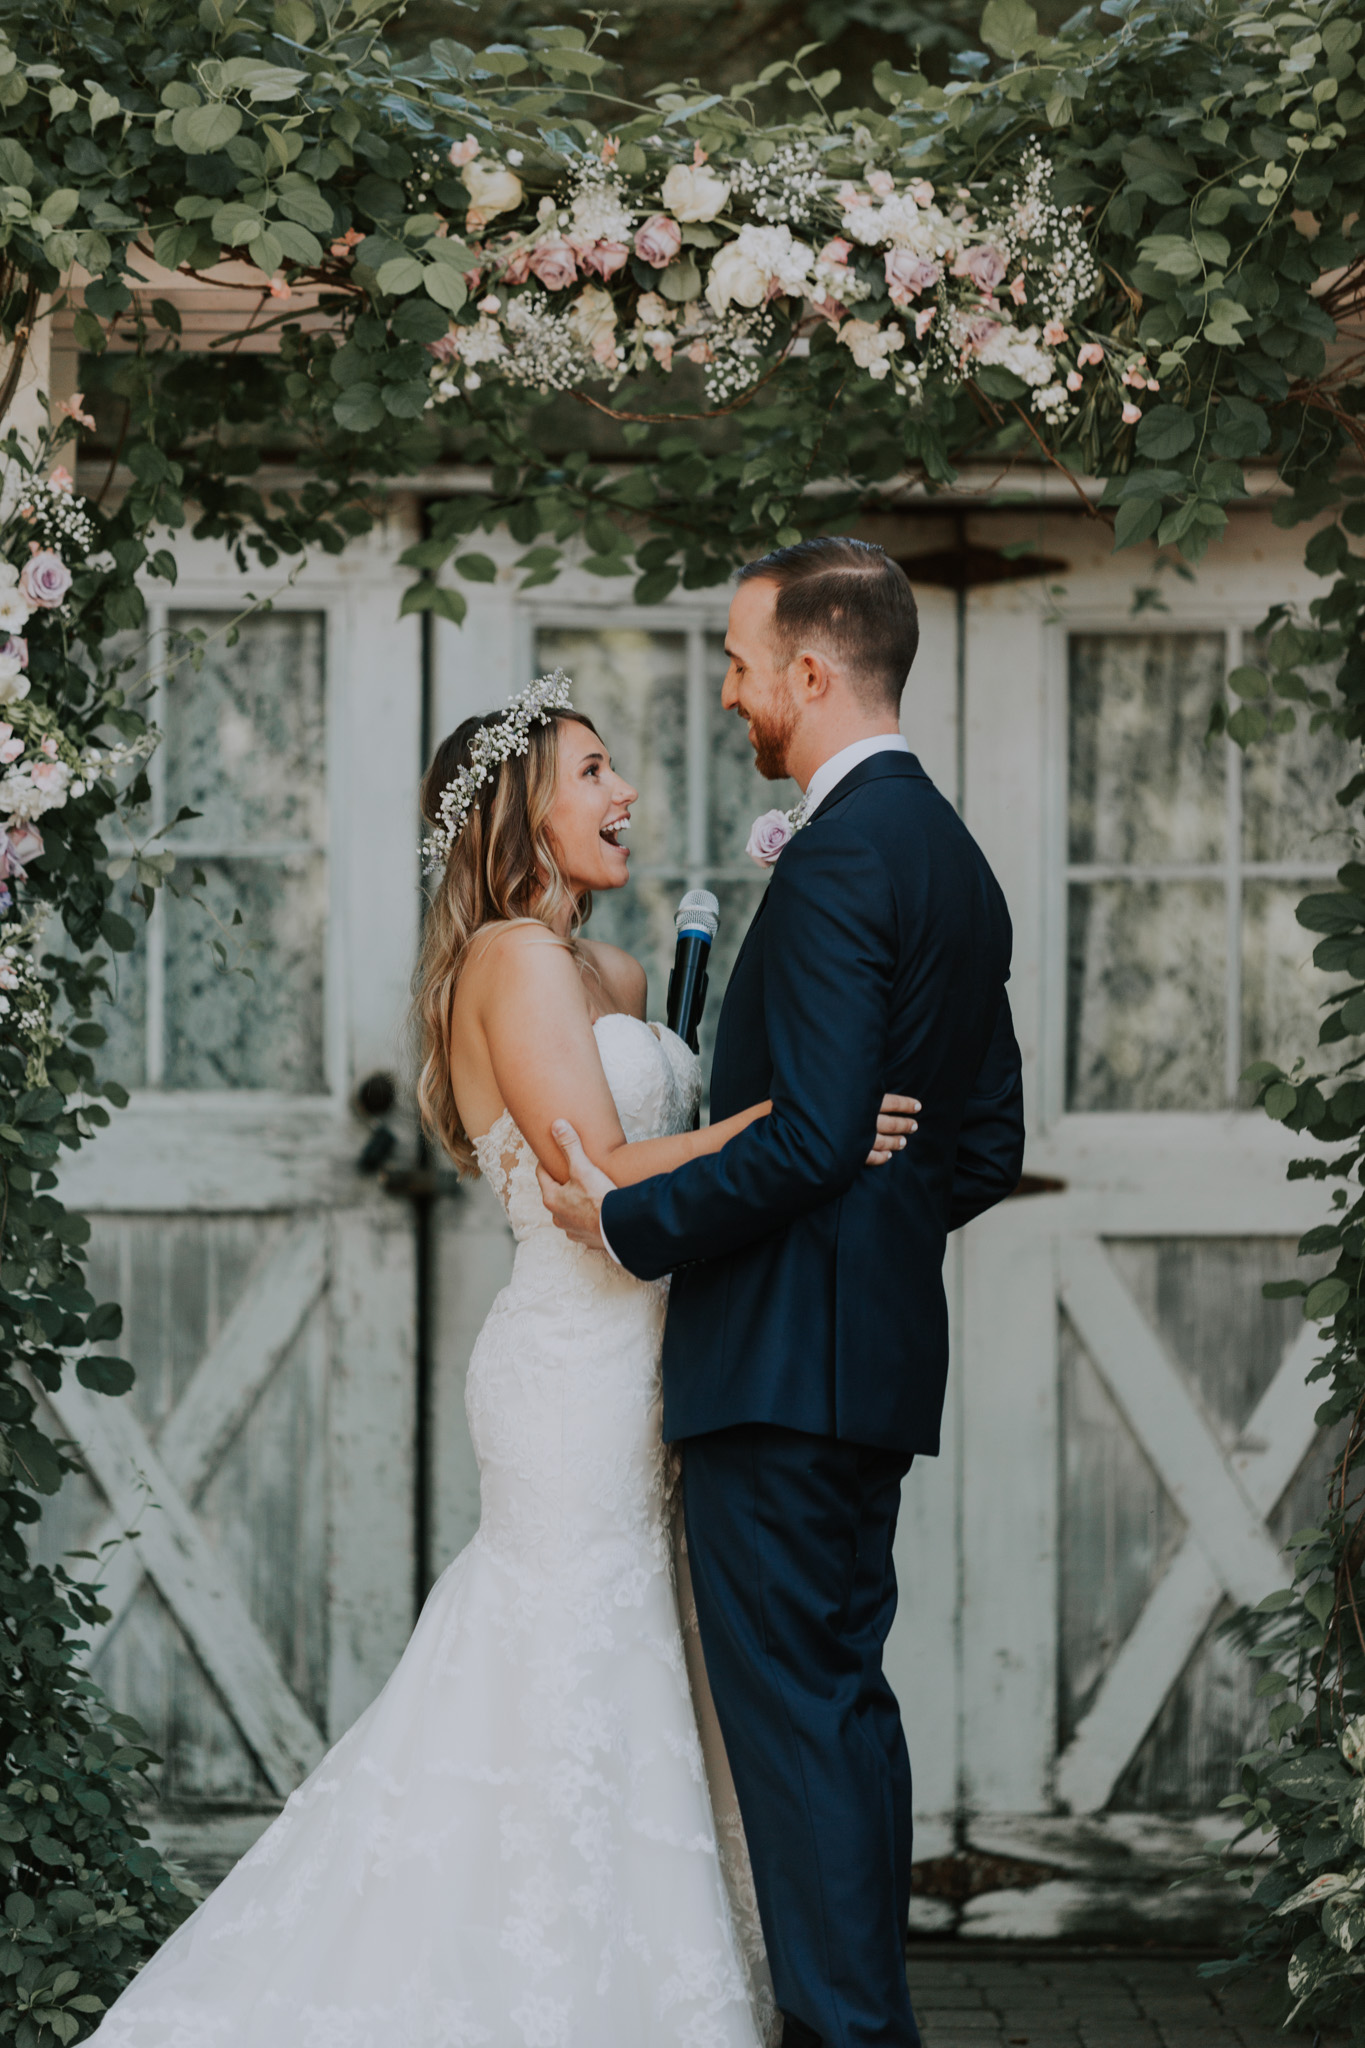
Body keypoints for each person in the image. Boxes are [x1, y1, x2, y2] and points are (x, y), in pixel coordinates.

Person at [90, 668, 916, 2048]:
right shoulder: (507, 963)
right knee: (565, 1663)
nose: (624, 794)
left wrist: (765, 1133)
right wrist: (803, 1124)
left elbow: (672, 1170)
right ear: (521, 815)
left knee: (669, 1663)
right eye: (590, 772)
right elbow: (597, 1175)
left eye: (614, 771)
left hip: (670, 1362)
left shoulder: (621, 969)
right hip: (571, 1373)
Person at [539, 537, 1026, 2048]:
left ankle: (845, 2034)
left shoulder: (832, 860)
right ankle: (864, 2018)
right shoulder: (949, 853)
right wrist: (867, 1227)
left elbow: (815, 1134)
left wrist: (624, 1224)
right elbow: (983, 1144)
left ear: (812, 673)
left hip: (777, 1369)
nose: (736, 692)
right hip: (864, 1362)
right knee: (844, 1715)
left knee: (800, 1730)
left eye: (746, 665)